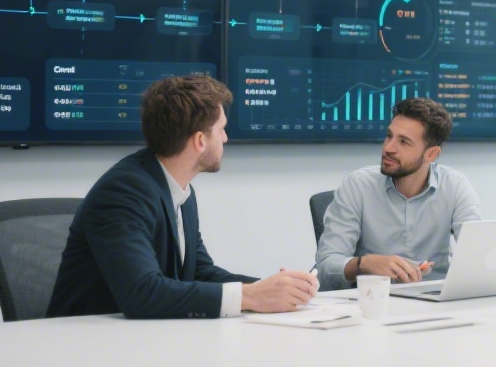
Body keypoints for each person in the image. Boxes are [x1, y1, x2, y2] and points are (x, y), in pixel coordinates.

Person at [316, 97, 496, 367]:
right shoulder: (358, 185)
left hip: (436, 321)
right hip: (372, 322)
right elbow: (327, 266)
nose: (388, 148)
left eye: (404, 142)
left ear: (431, 153)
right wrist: (368, 263)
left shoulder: (456, 187)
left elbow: (478, 255)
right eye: (389, 136)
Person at [48, 74, 318, 320]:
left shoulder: (180, 190)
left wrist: (273, 289)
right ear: (200, 140)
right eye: (221, 128)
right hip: (82, 350)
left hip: (141, 344)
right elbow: (141, 294)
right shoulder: (123, 191)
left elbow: (199, 273)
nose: (225, 138)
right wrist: (250, 297)